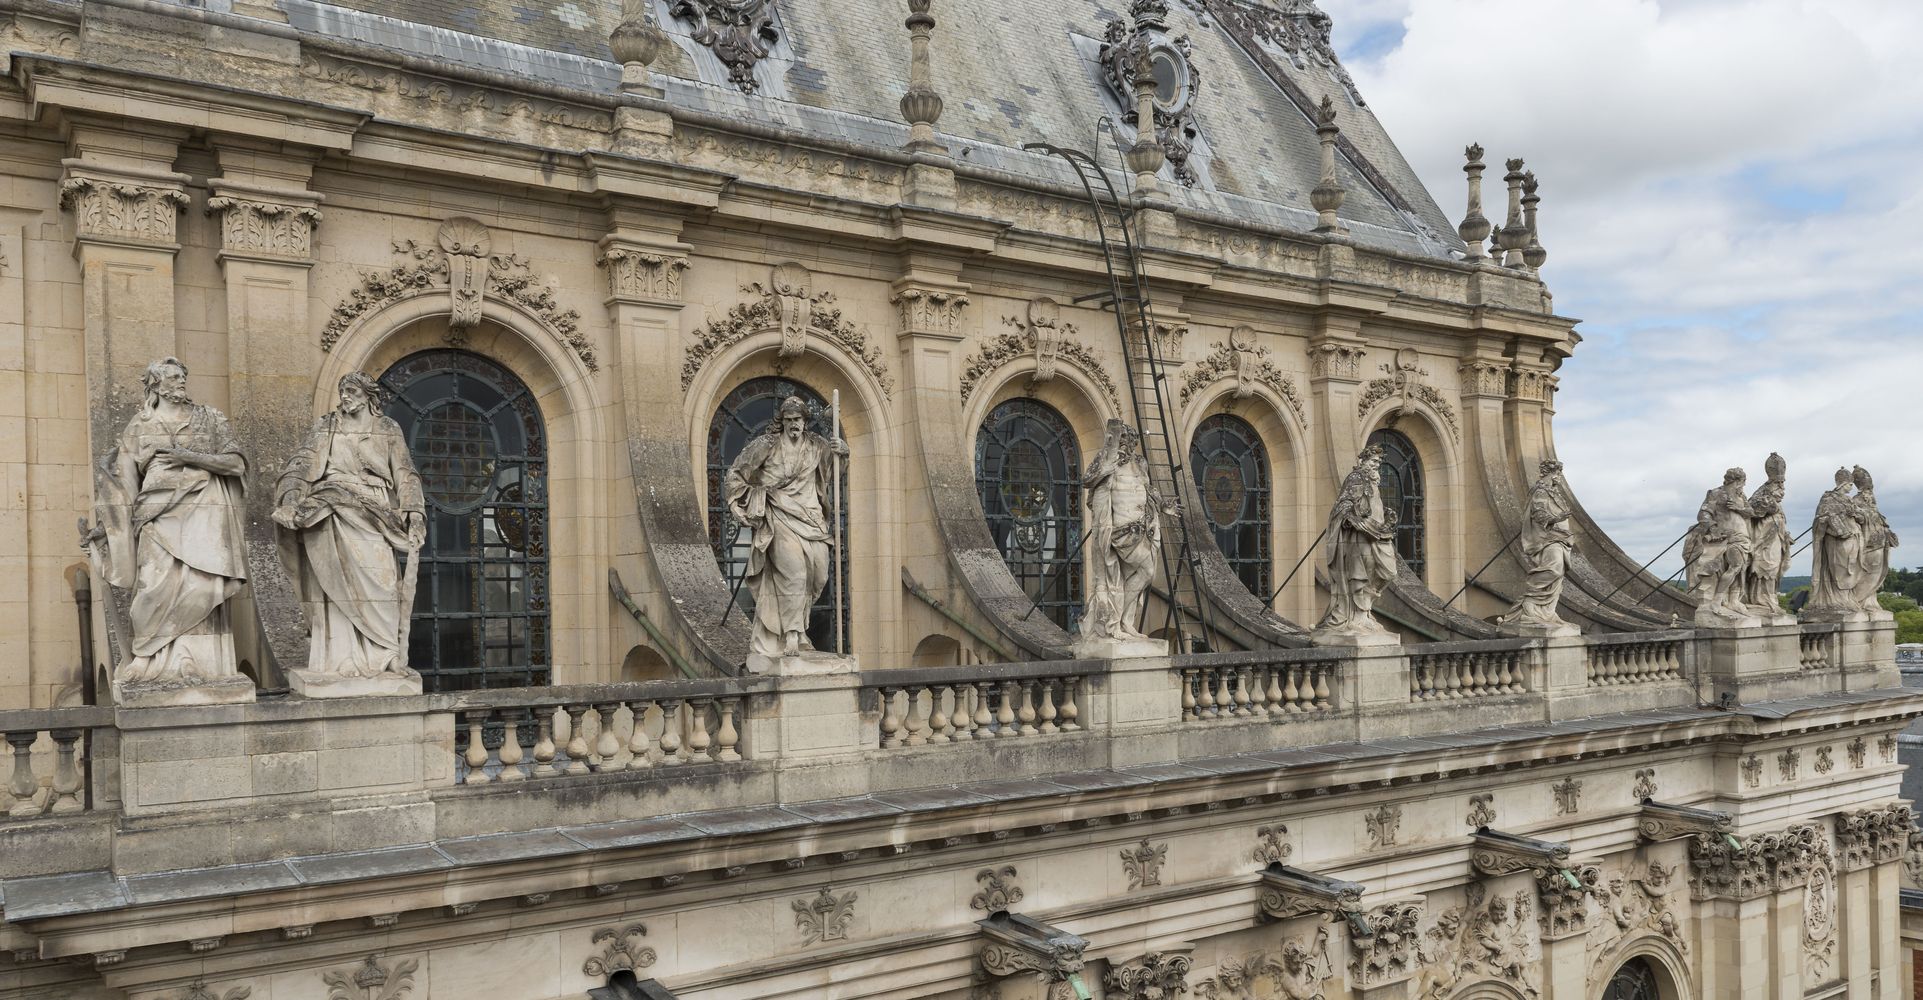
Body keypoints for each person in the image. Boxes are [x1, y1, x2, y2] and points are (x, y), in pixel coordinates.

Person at [82, 358, 250, 688]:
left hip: (204, 511)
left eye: (183, 376)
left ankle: (196, 664)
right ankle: (152, 660)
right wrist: (109, 528)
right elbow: (125, 484)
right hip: (155, 513)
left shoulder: (209, 418)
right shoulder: (139, 426)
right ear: (156, 385)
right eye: (173, 377)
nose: (181, 381)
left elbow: (236, 464)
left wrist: (192, 458)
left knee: (202, 583)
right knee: (153, 586)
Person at [274, 372, 426, 680]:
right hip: (333, 508)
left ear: (369, 396)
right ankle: (340, 658)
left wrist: (414, 510)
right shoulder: (326, 425)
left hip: (376, 511)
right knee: (336, 583)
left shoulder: (386, 428)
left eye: (352, 390)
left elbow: (405, 472)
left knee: (382, 582)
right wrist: (291, 498)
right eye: (342, 390)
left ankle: (383, 654)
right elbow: (302, 464)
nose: (345, 396)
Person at [725, 395, 846, 658]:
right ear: (782, 422)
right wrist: (747, 501)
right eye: (789, 420)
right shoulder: (766, 445)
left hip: (812, 520)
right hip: (778, 515)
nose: (794, 425)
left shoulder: (817, 446)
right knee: (794, 573)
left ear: (805, 421)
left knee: (818, 575)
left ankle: (799, 628)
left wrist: (842, 451)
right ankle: (793, 636)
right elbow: (736, 474)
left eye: (798, 420)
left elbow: (833, 471)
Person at [1080, 419, 1178, 642]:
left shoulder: (1139, 463)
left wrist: (1163, 506)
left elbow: (1148, 488)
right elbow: (1087, 479)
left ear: (1133, 442)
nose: (1124, 444)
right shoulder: (1107, 460)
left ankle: (1123, 621)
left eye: (1128, 439)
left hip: (1143, 528)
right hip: (1123, 531)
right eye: (1120, 439)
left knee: (1134, 576)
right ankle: (1122, 620)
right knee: (1146, 571)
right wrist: (1106, 466)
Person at [1316, 445, 1399, 635]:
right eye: (1374, 461)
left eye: (1379, 462)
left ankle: (1364, 610)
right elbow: (1343, 504)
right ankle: (1358, 616)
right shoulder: (1356, 478)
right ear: (1365, 461)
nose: (1377, 464)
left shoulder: (1373, 481)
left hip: (1378, 534)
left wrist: (1385, 517)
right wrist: (1353, 519)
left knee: (1388, 571)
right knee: (1360, 573)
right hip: (1360, 535)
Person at [1496, 459, 1575, 630]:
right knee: (1553, 569)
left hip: (1561, 539)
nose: (1559, 477)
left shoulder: (1555, 493)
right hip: (1548, 539)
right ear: (1549, 474)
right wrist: (1556, 519)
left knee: (1558, 574)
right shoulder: (1540, 492)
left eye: (1559, 473)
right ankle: (1530, 604)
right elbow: (1539, 514)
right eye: (1557, 473)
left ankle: (1545, 612)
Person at [1682, 468, 1755, 621]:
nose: (1744, 484)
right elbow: (1703, 514)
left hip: (1744, 538)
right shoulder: (1716, 493)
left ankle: (1732, 600)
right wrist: (1713, 528)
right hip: (1727, 537)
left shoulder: (1741, 496)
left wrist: (1739, 508)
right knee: (1735, 567)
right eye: (1743, 481)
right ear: (1737, 481)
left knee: (1740, 570)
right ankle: (1718, 599)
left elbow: (1750, 512)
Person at [1805, 467, 1863, 615]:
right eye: (1850, 484)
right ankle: (1837, 599)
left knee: (1850, 570)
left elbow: (1862, 518)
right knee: (1839, 568)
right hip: (1837, 541)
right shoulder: (1828, 498)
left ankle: (1847, 598)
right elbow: (1820, 520)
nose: (1851, 488)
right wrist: (1837, 529)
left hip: (1853, 540)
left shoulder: (1850, 500)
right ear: (1843, 484)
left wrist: (1855, 513)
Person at [1742, 452, 1792, 616]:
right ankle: (1760, 600)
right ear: (1773, 486)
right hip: (1762, 543)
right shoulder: (1762, 496)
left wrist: (1786, 536)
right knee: (1764, 569)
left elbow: (1778, 523)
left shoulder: (1777, 504)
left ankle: (1769, 599)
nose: (1783, 492)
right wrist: (1769, 506)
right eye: (1780, 488)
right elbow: (1751, 511)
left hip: (1775, 542)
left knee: (1774, 570)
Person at [1850, 465, 1899, 611]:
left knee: (1877, 574)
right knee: (1867, 573)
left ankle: (1869, 601)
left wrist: (1886, 532)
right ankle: (1860, 602)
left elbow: (1878, 521)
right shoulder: (1856, 501)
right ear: (1861, 489)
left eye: (1871, 489)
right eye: (1868, 489)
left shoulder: (1872, 504)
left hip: (1879, 544)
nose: (1870, 492)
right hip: (1867, 546)